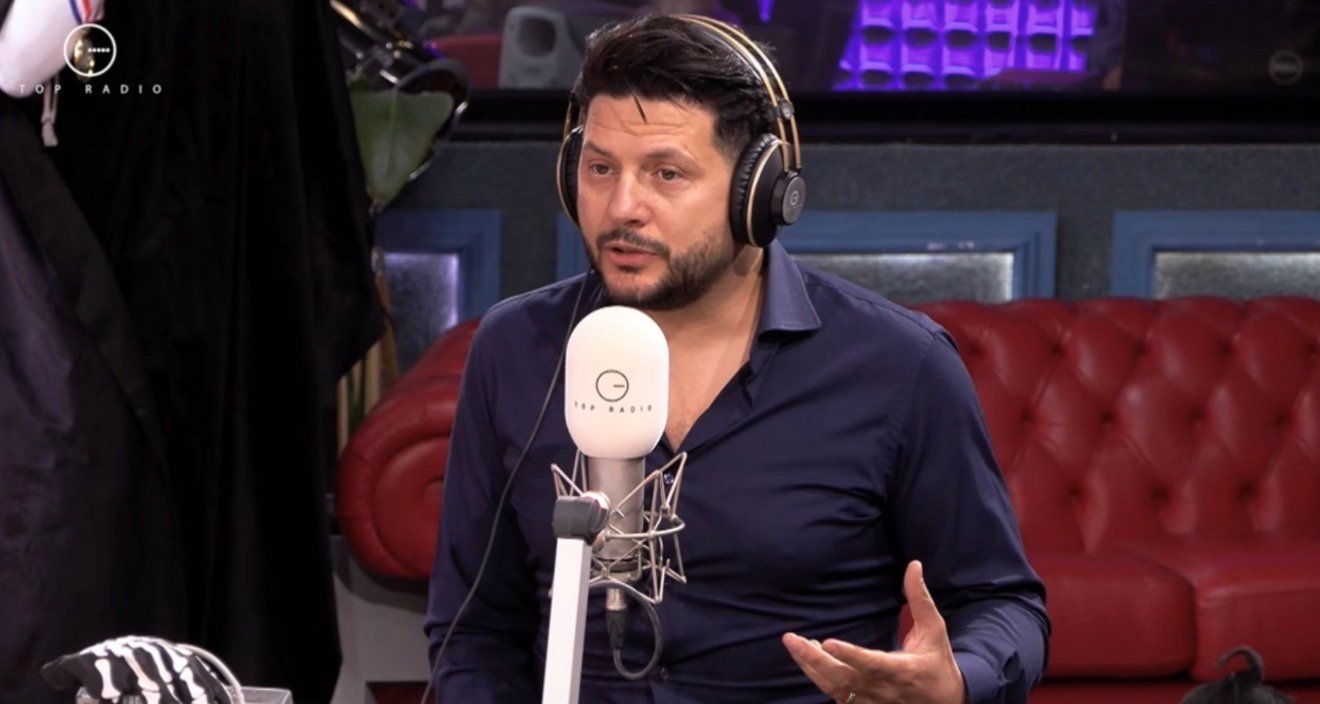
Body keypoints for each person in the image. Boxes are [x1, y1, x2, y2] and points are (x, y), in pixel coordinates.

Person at [425, 13, 1050, 704]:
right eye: (600, 168)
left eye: (666, 173)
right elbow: (474, 631)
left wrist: (959, 679)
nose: (621, 206)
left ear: (759, 191)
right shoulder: (517, 349)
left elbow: (1003, 603)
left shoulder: (899, 366)